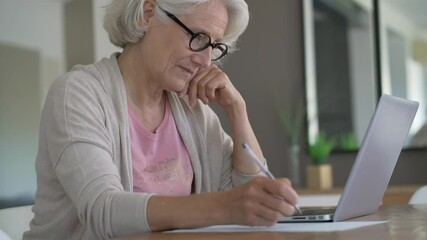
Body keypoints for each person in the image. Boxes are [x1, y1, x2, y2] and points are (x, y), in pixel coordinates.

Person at [23, 0, 299, 239]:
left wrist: (237, 110)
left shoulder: (191, 110)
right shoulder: (78, 93)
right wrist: (225, 207)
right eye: (198, 37)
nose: (205, 61)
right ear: (148, 13)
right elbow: (103, 210)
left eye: (213, 46)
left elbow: (249, 198)